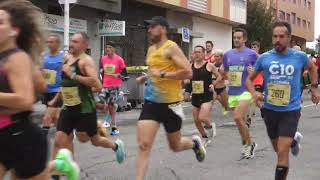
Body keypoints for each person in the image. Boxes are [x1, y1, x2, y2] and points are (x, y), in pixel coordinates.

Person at [0, 1, 79, 179]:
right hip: (6, 134)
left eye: (0, 22)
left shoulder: (18, 57)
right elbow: (40, 84)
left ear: (14, 30)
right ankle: (59, 163)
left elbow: (27, 98)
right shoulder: (23, 56)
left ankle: (60, 158)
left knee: (51, 119)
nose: (49, 43)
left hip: (20, 137)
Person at [246, 21, 320, 180]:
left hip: (290, 111)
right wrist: (254, 93)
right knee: (277, 148)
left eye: (281, 36)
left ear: (289, 38)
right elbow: (248, 80)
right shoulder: (265, 58)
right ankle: (293, 141)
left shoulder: (299, 56)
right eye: (275, 36)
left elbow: (313, 68)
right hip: (269, 110)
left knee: (281, 152)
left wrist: (314, 88)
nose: (277, 40)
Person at [135, 16, 206, 180]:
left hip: (171, 105)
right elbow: (154, 71)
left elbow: (188, 72)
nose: (149, 29)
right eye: (149, 27)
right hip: (151, 103)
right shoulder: (151, 50)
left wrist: (162, 74)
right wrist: (145, 77)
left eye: (152, 26)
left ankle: (194, 144)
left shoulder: (171, 47)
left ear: (162, 28)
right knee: (144, 145)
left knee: (175, 146)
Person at [50, 32, 125, 179]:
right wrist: (55, 100)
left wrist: (73, 75)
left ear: (85, 45)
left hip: (85, 109)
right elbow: (65, 84)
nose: (72, 44)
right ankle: (59, 174)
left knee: (91, 139)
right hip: (68, 107)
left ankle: (116, 146)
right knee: (60, 140)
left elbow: (97, 84)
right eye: (71, 41)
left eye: (76, 42)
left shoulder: (86, 61)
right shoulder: (66, 59)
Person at [222, 28, 258, 159]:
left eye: (238, 37)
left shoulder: (252, 54)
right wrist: (224, 80)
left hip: (246, 91)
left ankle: (251, 144)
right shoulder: (227, 54)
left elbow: (260, 68)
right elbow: (225, 71)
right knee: (240, 122)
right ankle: (246, 143)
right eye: (234, 37)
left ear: (244, 39)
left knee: (237, 117)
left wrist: (253, 71)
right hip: (233, 92)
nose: (236, 40)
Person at [184, 45, 221, 145]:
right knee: (196, 120)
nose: (196, 54)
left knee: (202, 117)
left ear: (204, 54)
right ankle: (205, 137)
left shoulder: (209, 65)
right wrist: (186, 93)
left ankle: (210, 125)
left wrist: (213, 85)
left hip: (207, 96)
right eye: (194, 52)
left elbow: (219, 77)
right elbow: (188, 82)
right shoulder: (190, 66)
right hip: (196, 95)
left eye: (198, 52)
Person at [99, 41, 127, 136]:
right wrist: (102, 79)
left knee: (111, 105)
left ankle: (114, 127)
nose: (108, 49)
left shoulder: (119, 60)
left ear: (114, 49)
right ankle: (117, 101)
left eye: (110, 47)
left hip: (115, 86)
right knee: (101, 101)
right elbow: (102, 71)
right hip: (105, 85)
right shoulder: (103, 59)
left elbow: (125, 74)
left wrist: (118, 74)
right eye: (107, 47)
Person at [41, 34, 64, 136]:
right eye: (48, 42)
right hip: (46, 90)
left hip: (57, 90)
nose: (49, 44)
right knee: (55, 117)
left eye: (52, 42)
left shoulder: (63, 57)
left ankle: (42, 139)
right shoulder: (44, 56)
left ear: (58, 44)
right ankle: (64, 134)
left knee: (47, 117)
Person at [249, 41, 263, 119]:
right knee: (253, 96)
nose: (253, 49)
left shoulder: (260, 56)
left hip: (259, 78)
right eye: (252, 47)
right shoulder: (249, 57)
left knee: (254, 96)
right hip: (251, 79)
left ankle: (250, 117)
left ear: (258, 48)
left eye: (255, 47)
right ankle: (262, 108)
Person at [213, 49, 229, 114]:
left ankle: (226, 108)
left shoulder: (224, 65)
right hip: (213, 87)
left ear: (221, 57)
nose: (216, 58)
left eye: (217, 56)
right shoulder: (212, 65)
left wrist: (223, 75)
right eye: (215, 56)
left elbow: (227, 77)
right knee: (211, 101)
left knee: (226, 104)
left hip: (222, 87)